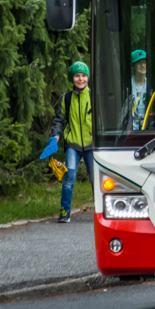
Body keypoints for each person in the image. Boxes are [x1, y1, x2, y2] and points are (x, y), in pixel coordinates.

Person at [49, 61, 93, 223]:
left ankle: (101, 212)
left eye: (83, 75)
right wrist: (56, 136)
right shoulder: (66, 98)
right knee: (69, 178)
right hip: (73, 145)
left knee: (96, 180)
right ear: (72, 78)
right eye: (77, 76)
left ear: (87, 77)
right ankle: (64, 212)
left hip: (91, 145)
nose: (80, 79)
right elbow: (59, 120)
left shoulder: (94, 95)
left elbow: (102, 119)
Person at [126, 49, 151, 130]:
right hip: (131, 131)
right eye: (139, 63)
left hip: (149, 129)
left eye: (144, 62)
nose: (142, 65)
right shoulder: (128, 86)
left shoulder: (150, 85)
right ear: (133, 66)